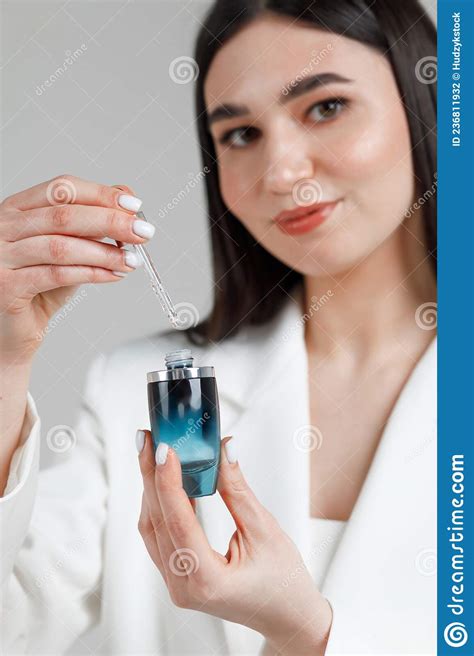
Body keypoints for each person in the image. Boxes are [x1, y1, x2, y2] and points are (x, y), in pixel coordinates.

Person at [0, 0, 437, 654]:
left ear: (423, 101)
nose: (282, 171)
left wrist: (309, 636)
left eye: (326, 107)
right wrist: (5, 362)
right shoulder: (135, 394)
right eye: (240, 134)